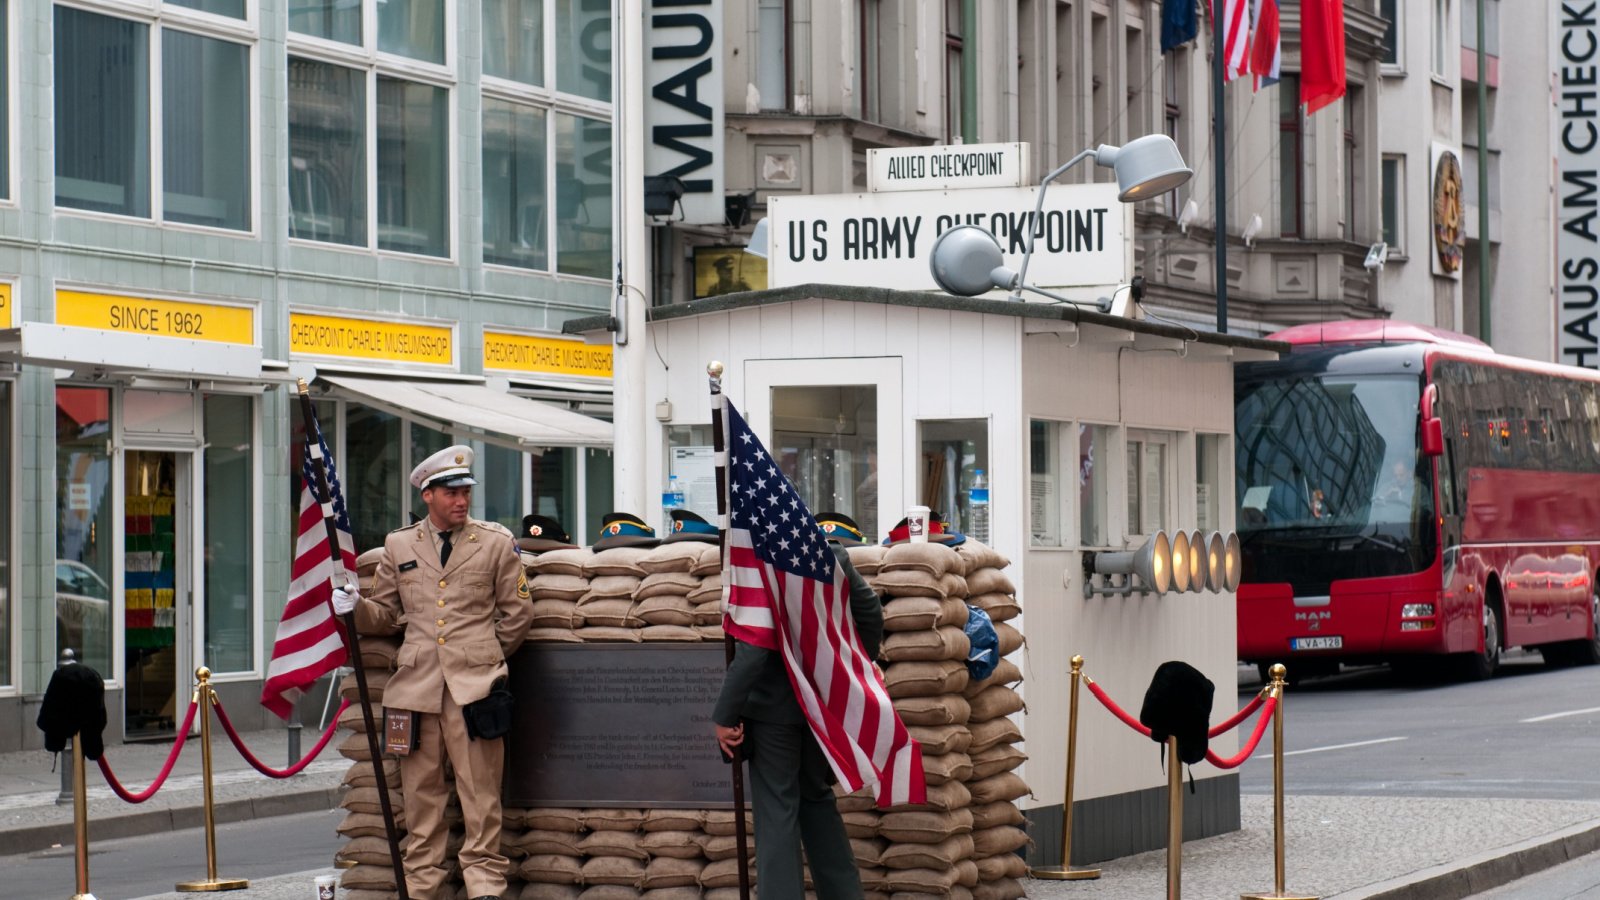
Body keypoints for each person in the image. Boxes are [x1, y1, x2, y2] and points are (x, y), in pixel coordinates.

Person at [332, 445, 533, 900]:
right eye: (451, 492)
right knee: (421, 800)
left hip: (475, 690)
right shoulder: (399, 545)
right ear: (428, 494)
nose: (461, 500)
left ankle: (484, 887)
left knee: (481, 797)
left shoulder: (495, 543)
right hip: (416, 690)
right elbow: (385, 613)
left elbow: (518, 612)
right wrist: (355, 608)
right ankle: (423, 886)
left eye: (465, 491)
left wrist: (485, 656)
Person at [711, 515, 883, 900]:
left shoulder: (760, 566)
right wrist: (853, 670)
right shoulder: (832, 556)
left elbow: (753, 651)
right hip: (822, 703)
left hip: (774, 711)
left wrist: (724, 715)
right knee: (817, 800)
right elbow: (870, 614)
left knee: (777, 812)